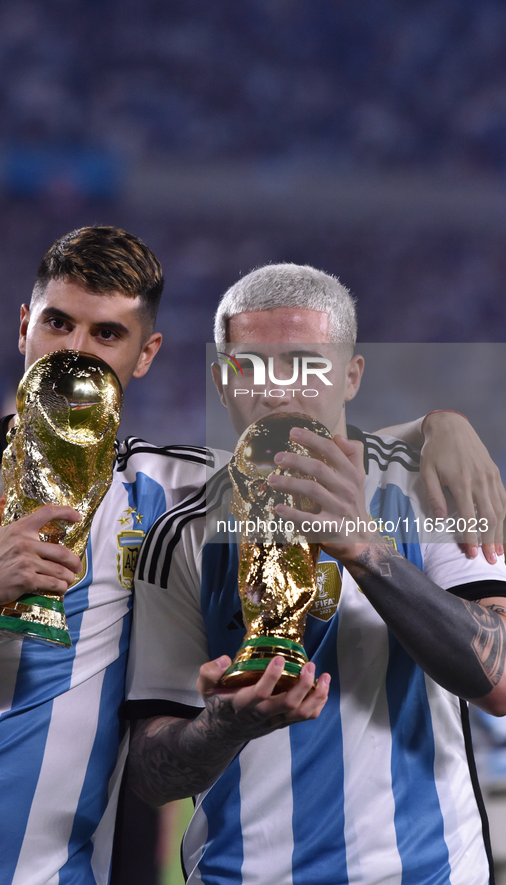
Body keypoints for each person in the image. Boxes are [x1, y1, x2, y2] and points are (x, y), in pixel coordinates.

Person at [126, 263, 506, 885]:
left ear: (350, 375)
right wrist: (226, 726)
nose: (278, 390)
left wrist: (363, 548)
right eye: (251, 366)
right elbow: (152, 773)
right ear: (222, 382)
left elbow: (500, 680)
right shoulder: (183, 534)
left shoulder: (425, 484)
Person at [0, 226, 211, 885]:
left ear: (146, 354)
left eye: (106, 334)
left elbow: (307, 460)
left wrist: (435, 430)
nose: (74, 353)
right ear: (24, 326)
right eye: (57, 323)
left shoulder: (173, 494)